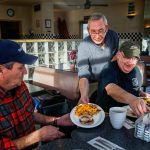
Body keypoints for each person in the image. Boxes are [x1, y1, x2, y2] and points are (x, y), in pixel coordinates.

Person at [0, 40, 73, 150]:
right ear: (1, 70)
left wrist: (56, 120)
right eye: (20, 67)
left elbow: (29, 114)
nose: (25, 72)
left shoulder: (20, 86)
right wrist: (37, 136)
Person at [96, 41, 150, 116]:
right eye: (127, 57)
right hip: (107, 114)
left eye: (134, 58)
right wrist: (132, 99)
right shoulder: (108, 68)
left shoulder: (136, 71)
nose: (130, 62)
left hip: (129, 114)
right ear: (118, 55)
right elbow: (111, 89)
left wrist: (141, 93)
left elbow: (135, 89)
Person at [77, 12, 119, 104]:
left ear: (106, 28)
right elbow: (83, 75)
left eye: (100, 30)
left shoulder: (113, 36)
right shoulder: (84, 46)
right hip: (94, 83)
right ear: (88, 30)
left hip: (112, 80)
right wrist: (84, 95)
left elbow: (116, 58)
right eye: (93, 31)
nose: (97, 35)